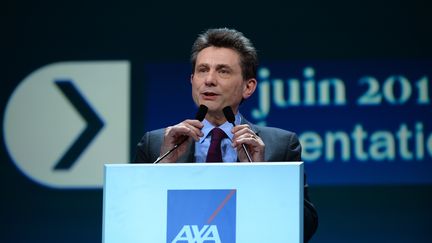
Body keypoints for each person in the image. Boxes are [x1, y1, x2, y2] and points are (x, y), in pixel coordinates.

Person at [134, 28, 318, 242]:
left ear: (248, 87)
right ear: (192, 80)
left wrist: (262, 176)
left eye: (223, 71)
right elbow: (130, 217)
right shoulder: (157, 143)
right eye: (202, 70)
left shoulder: (280, 145)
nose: (209, 80)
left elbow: (305, 228)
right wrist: (162, 169)